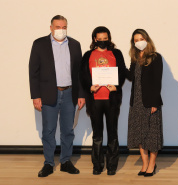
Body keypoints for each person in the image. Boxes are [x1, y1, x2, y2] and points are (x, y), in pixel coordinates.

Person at [29, 15, 85, 177]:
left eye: (64, 27)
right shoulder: (39, 44)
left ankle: (66, 161)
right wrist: (35, 96)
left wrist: (81, 94)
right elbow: (33, 72)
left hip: (70, 93)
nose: (61, 30)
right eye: (58, 27)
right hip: (48, 94)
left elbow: (80, 73)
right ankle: (48, 163)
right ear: (51, 28)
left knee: (68, 130)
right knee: (48, 130)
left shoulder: (75, 45)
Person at [80, 26, 126, 175]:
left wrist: (117, 85)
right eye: (99, 39)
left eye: (105, 39)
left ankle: (112, 166)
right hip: (95, 101)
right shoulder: (88, 55)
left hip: (111, 100)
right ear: (94, 39)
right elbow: (82, 75)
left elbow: (122, 71)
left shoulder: (116, 53)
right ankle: (97, 165)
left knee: (113, 134)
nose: (102, 41)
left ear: (109, 38)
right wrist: (89, 87)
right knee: (97, 136)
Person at [126, 29, 163, 177]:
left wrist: (155, 102)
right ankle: (145, 163)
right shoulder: (135, 58)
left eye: (141, 38)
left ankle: (152, 164)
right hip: (136, 102)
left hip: (150, 102)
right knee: (140, 134)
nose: (138, 42)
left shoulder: (155, 57)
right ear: (133, 43)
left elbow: (157, 81)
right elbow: (130, 76)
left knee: (152, 135)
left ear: (147, 39)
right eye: (135, 40)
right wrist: (117, 67)